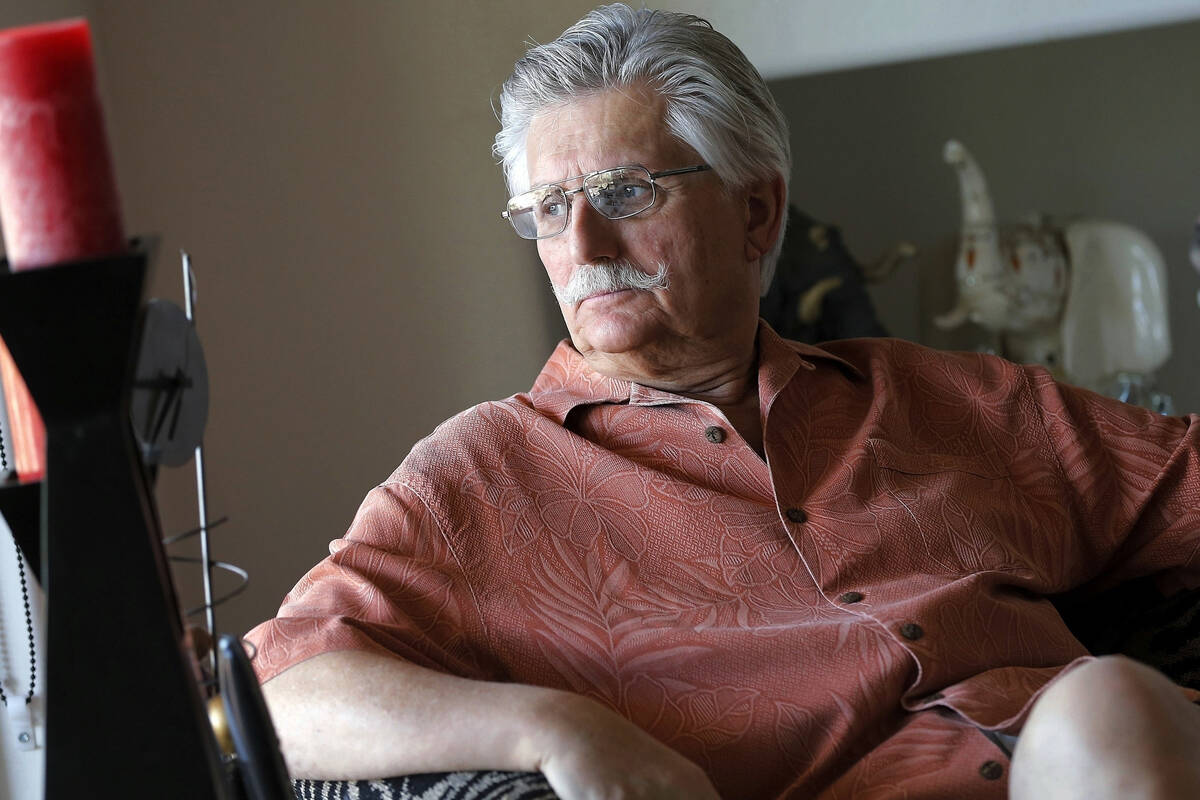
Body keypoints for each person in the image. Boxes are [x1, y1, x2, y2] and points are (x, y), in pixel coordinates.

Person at [245, 5, 1200, 798]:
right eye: (547, 208)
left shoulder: (950, 400)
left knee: (1107, 707)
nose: (580, 245)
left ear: (757, 212)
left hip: (1091, 767)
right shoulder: (484, 475)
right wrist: (554, 726)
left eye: (624, 192)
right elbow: (275, 693)